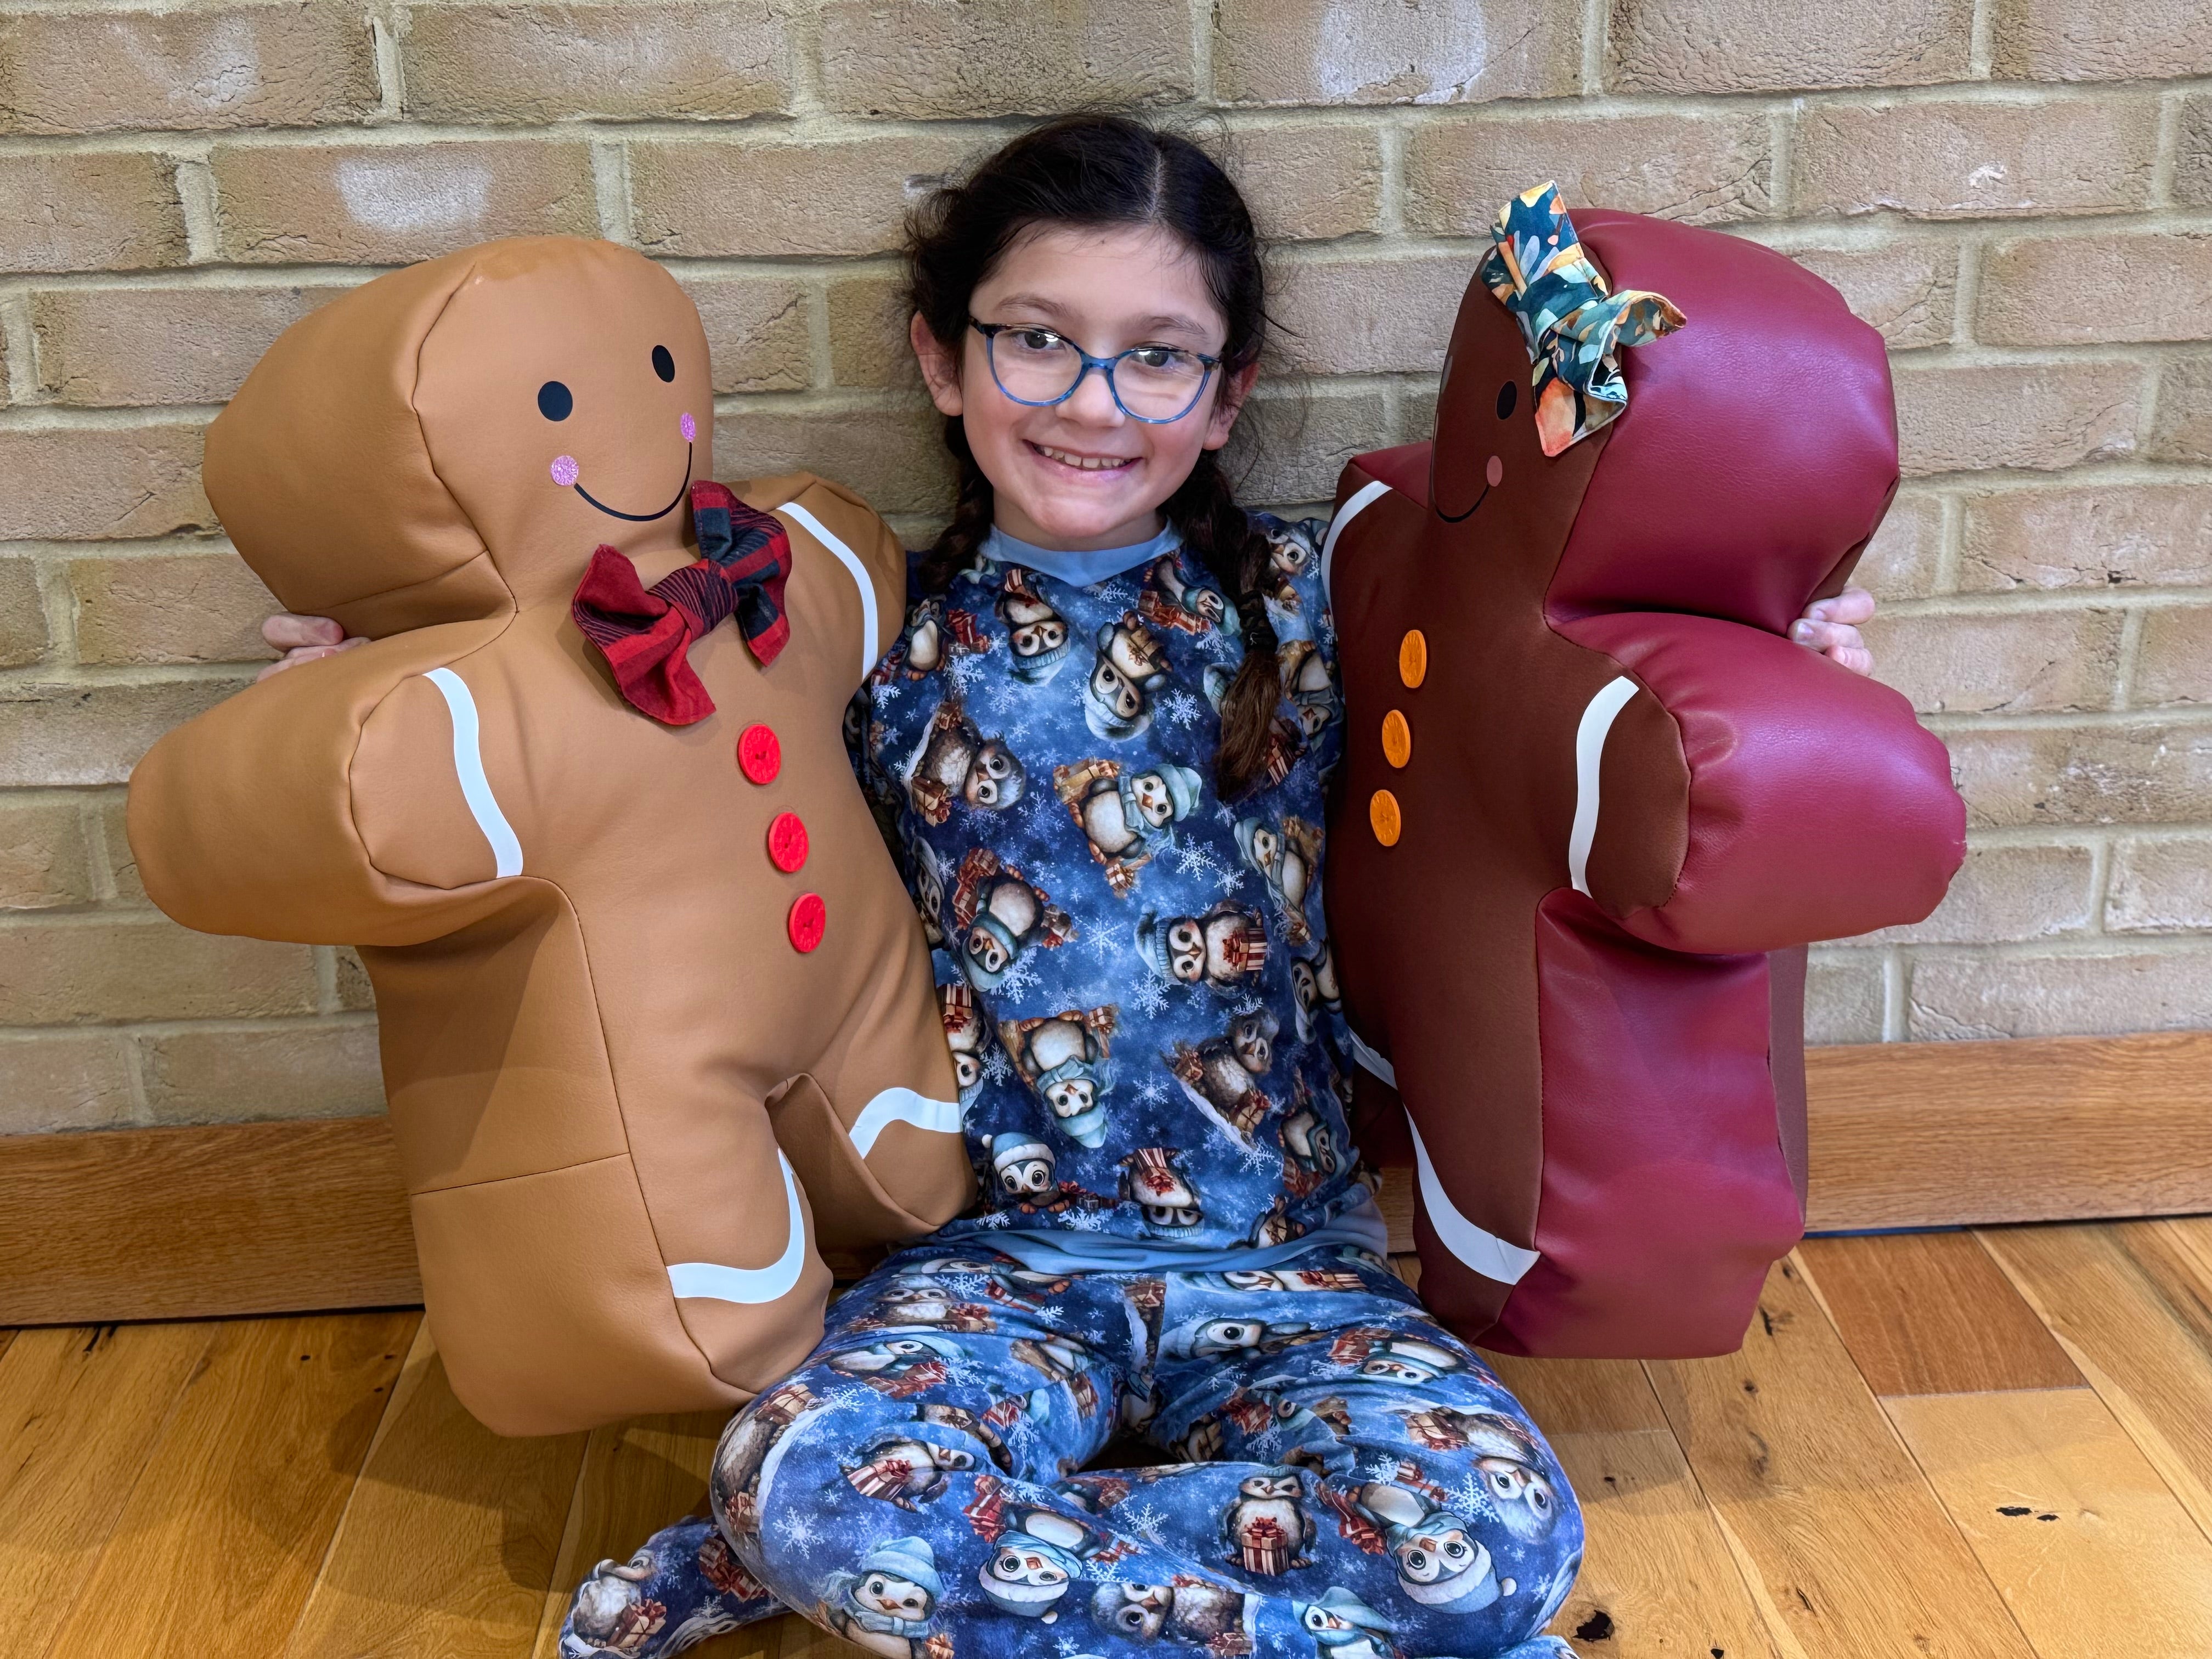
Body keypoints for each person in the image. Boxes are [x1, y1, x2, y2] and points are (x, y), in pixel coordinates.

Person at [261, 116, 1876, 1659]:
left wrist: (1761, 663)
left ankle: (897, 1571)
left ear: (1227, 396)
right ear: (941, 358)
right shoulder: (851, 630)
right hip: (988, 1271)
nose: (1094, 401)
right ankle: (1265, 1611)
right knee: (807, 1486)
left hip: (1297, 1269)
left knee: (1503, 1537)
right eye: (1037, 340)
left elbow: (1536, 683)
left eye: (1157, 356)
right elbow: (605, 758)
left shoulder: (1319, 602)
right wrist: (384, 673)